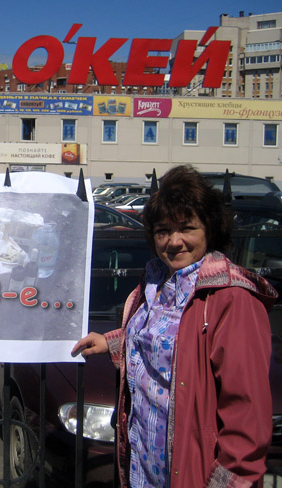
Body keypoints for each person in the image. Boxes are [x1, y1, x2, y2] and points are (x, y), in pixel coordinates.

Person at [72, 165, 277, 487]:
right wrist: (112, 341)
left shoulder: (231, 298)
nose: (174, 241)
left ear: (209, 228)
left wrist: (230, 482)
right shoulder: (157, 280)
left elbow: (247, 412)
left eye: (187, 228)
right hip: (143, 462)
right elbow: (162, 340)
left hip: (191, 470)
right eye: (163, 230)